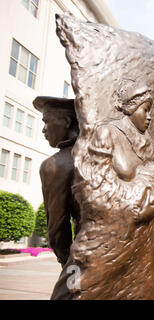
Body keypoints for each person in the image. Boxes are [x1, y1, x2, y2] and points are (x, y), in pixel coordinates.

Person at [63, 79, 154, 300]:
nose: (149, 117)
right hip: (113, 238)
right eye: (145, 110)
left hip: (141, 241)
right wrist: (142, 187)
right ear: (130, 107)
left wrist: (151, 181)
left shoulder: (150, 144)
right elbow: (93, 188)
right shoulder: (107, 133)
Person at [33, 96, 80, 268]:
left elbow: (57, 229)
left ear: (67, 121)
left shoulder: (55, 165)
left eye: (47, 122)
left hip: (82, 259)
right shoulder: (99, 155)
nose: (44, 130)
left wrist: (68, 265)